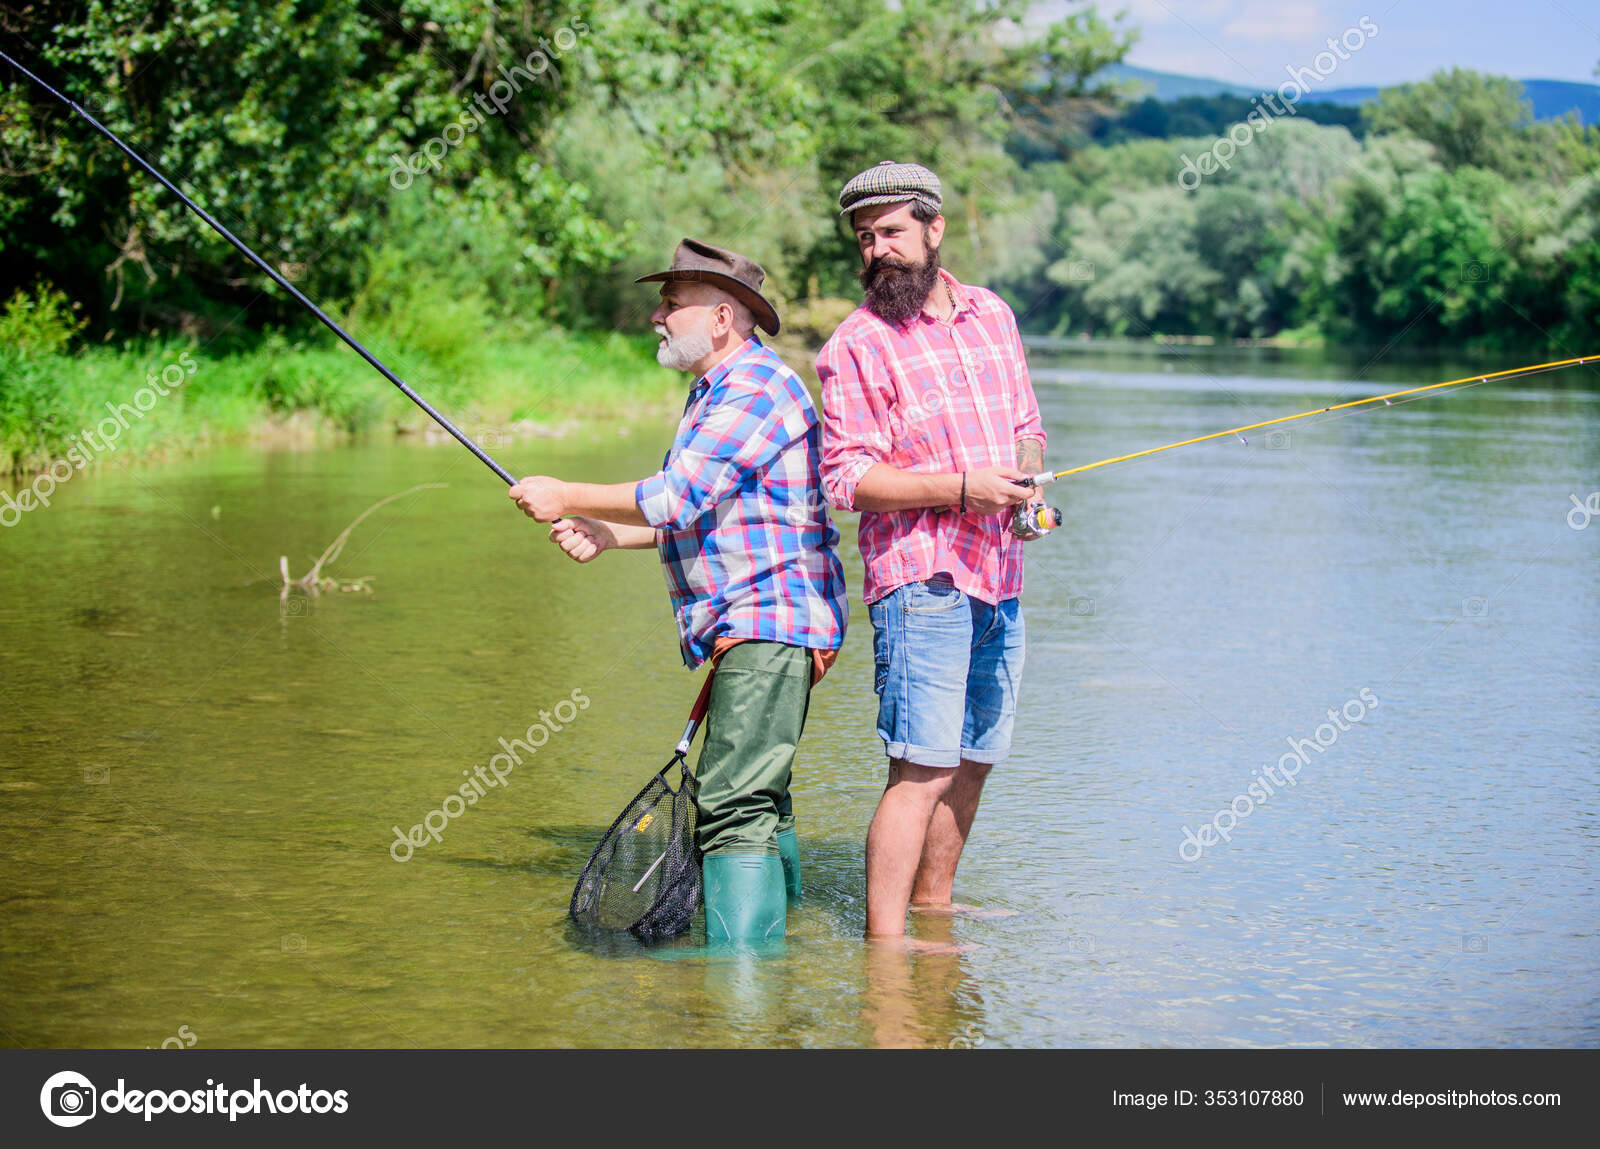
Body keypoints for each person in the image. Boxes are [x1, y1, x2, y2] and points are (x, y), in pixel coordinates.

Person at [510, 238, 847, 945]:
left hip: (770, 620)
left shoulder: (756, 387)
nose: (657, 315)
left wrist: (565, 490)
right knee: (761, 798)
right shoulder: (718, 389)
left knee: (731, 804)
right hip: (756, 621)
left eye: (671, 302)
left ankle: (739, 993)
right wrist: (608, 532)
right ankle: (774, 969)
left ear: (721, 316)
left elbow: (677, 493)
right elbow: (709, 517)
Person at [815, 161, 1048, 944]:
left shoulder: (994, 315)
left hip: (1000, 573)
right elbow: (846, 477)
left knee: (975, 757)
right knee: (922, 766)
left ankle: (933, 909)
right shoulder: (856, 344)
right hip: (920, 580)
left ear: (934, 229)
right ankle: (886, 946)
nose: (877, 249)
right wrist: (959, 488)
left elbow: (1027, 422)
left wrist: (1027, 481)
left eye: (891, 232)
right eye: (864, 236)